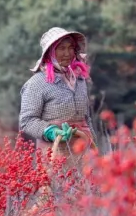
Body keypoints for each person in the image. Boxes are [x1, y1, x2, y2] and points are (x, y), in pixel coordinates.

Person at [18, 27, 96, 158]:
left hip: (83, 152)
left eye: (71, 47)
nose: (67, 53)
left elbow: (86, 118)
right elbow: (27, 121)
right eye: (61, 48)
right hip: (53, 153)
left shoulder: (79, 79)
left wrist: (94, 145)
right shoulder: (37, 83)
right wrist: (50, 131)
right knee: (58, 178)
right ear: (50, 52)